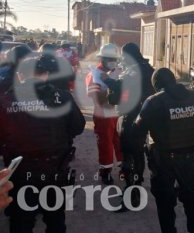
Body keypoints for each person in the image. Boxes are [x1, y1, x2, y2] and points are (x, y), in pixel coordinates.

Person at [0, 55, 86, 233]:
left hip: (20, 176)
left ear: (20, 76)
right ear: (46, 74)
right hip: (54, 172)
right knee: (55, 221)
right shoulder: (62, 97)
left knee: (20, 224)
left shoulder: (5, 100)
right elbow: (78, 127)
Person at [135, 68, 194, 233]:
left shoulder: (154, 101)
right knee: (190, 197)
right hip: (190, 157)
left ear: (156, 85)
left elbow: (138, 129)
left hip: (164, 160)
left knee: (165, 202)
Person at [102, 43, 154, 207]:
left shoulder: (133, 70)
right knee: (138, 152)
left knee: (130, 153)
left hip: (131, 116)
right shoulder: (148, 67)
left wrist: (108, 80)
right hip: (145, 115)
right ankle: (136, 187)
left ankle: (132, 193)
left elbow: (122, 85)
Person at [86, 43, 123, 185]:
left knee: (120, 142)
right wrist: (107, 84)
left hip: (118, 113)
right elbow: (94, 96)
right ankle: (106, 172)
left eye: (115, 58)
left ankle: (123, 169)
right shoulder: (94, 74)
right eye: (109, 58)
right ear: (102, 58)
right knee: (105, 143)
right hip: (103, 113)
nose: (113, 61)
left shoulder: (118, 70)